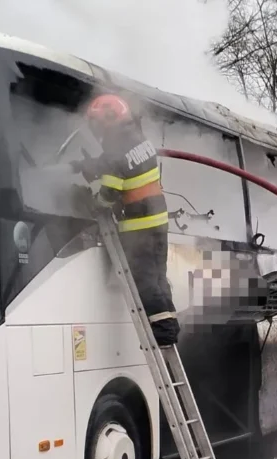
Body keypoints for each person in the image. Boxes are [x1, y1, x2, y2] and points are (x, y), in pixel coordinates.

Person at [71, 93, 179, 346]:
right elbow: (123, 164)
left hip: (139, 226)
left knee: (145, 280)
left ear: (108, 120)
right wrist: (91, 165)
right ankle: (169, 326)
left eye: (97, 123)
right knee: (158, 277)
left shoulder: (115, 149)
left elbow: (110, 193)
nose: (96, 129)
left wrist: (96, 205)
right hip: (157, 222)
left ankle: (163, 331)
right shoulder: (138, 140)